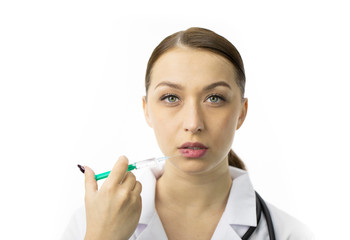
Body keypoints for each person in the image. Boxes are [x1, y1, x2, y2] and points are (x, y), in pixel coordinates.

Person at [62, 27, 314, 240]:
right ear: (146, 110)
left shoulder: (290, 234)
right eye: (171, 97)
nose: (193, 123)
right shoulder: (90, 225)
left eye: (214, 98)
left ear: (241, 112)